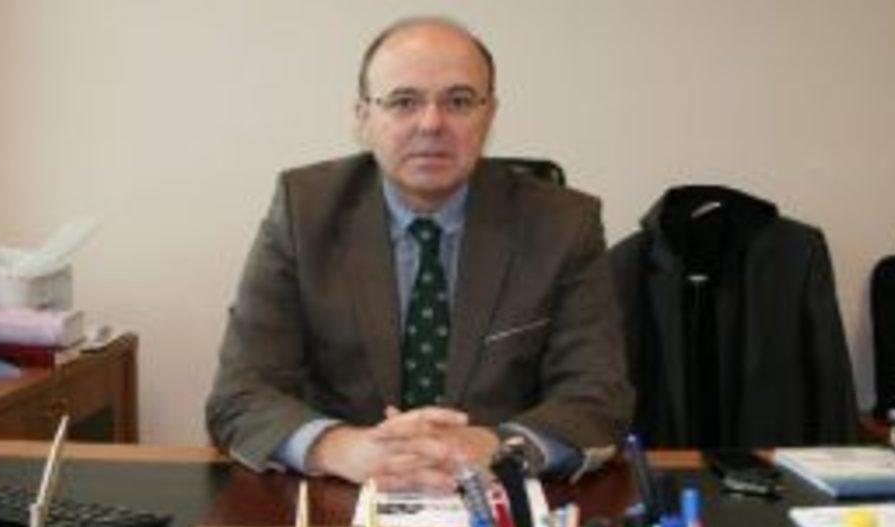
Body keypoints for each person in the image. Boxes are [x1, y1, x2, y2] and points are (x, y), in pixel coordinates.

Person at [206, 16, 630, 491]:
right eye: (404, 101)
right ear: (363, 117)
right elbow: (240, 393)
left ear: (489, 115)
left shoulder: (563, 224)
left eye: (459, 101)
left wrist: (496, 447)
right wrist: (340, 448)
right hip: (342, 499)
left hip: (501, 501)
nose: (431, 124)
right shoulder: (304, 211)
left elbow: (598, 398)